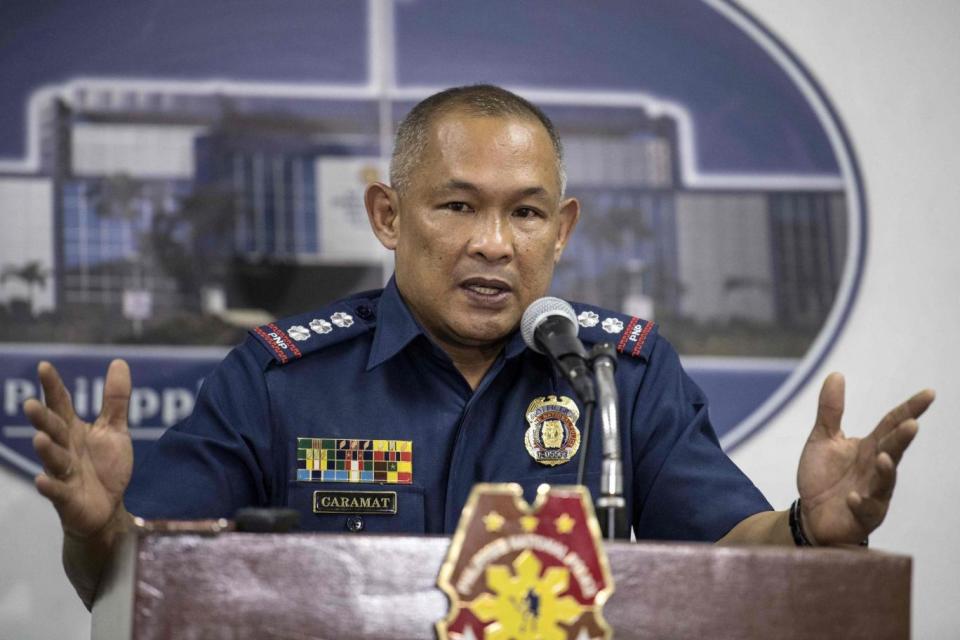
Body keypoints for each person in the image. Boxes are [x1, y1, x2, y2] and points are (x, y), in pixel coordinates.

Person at [26, 85, 934, 608]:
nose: (494, 243)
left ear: (562, 229)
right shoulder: (278, 379)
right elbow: (136, 579)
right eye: (458, 206)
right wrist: (98, 525)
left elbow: (736, 552)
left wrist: (816, 527)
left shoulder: (620, 377)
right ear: (388, 215)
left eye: (526, 213)